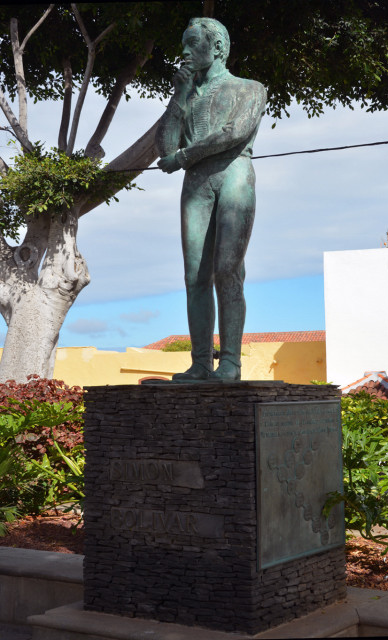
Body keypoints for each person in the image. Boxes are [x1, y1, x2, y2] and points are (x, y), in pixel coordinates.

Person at [156, 17, 266, 381]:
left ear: (217, 47)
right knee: (194, 277)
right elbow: (165, 148)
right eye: (183, 45)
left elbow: (233, 133)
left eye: (193, 44)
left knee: (227, 270)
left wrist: (185, 158)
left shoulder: (249, 89)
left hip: (233, 176)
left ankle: (230, 362)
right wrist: (179, 97)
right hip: (196, 186)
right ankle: (201, 362)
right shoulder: (187, 96)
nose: (184, 52)